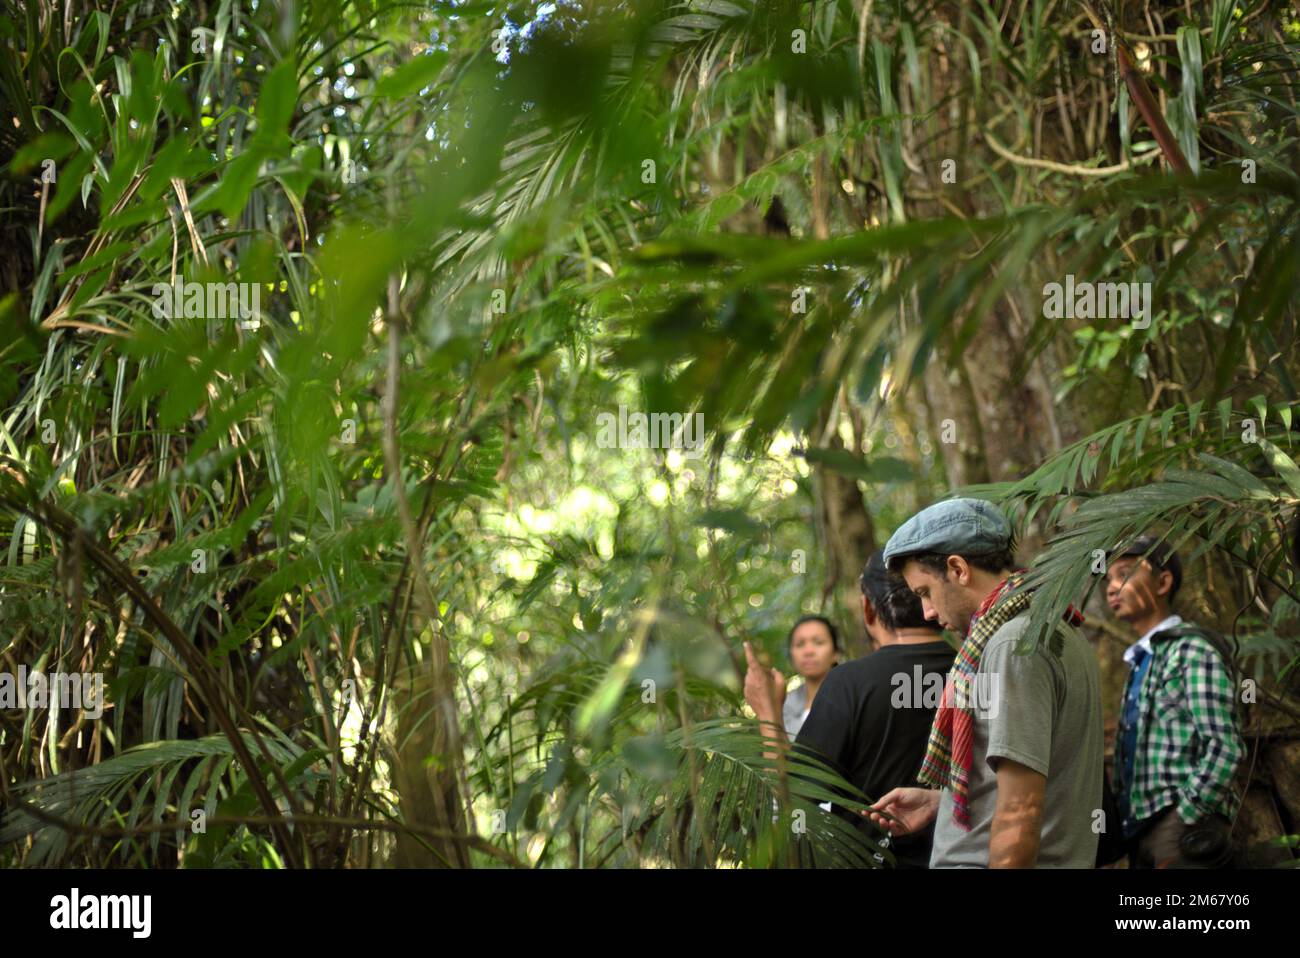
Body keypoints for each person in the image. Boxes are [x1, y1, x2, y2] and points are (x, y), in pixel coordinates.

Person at [868, 497, 1104, 868]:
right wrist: (940, 802)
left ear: (958, 569)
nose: (928, 612)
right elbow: (1038, 774)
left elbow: (1021, 810)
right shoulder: (1055, 624)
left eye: (925, 592)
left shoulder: (1012, 644)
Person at [742, 551, 956, 867]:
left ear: (868, 608)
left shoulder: (850, 682)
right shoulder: (974, 669)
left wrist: (767, 714)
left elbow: (795, 801)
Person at [1105, 535, 1245, 868]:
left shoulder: (1191, 650)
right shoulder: (1143, 660)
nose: (1111, 588)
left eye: (1124, 574)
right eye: (1108, 579)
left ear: (1163, 581)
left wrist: (1187, 814)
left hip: (1181, 827)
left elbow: (1225, 746)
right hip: (1143, 828)